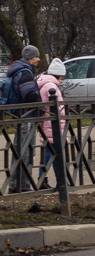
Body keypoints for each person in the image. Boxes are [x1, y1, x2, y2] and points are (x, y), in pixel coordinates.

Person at [7, 46, 43, 192]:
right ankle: (23, 185)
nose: (39, 59)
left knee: (18, 149)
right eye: (37, 56)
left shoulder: (17, 70)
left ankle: (15, 184)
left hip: (19, 114)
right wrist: (41, 107)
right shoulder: (25, 74)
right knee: (26, 150)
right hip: (26, 115)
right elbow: (29, 94)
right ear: (30, 57)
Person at [36, 58, 68, 190]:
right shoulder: (51, 86)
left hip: (51, 124)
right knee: (52, 154)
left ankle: (55, 181)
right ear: (58, 74)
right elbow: (50, 103)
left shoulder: (48, 83)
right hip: (52, 125)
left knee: (52, 154)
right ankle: (53, 181)